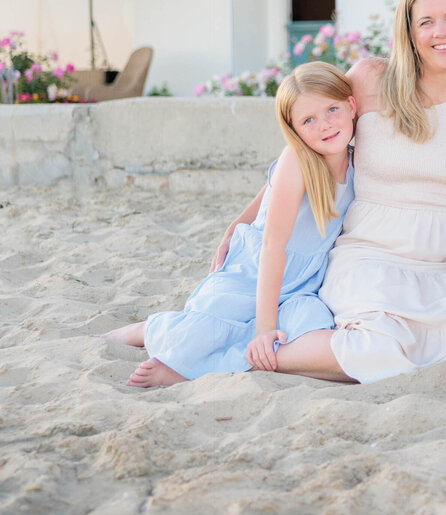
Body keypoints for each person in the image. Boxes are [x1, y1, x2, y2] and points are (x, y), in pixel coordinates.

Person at [263, 0, 446, 383]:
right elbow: (303, 149)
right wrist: (244, 218)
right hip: (373, 257)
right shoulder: (369, 80)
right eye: (426, 22)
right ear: (409, 31)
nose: (442, 32)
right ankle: (254, 351)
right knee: (377, 345)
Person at [104, 62, 357, 387]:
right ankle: (148, 330)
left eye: (332, 109)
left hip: (303, 283)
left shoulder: (359, 160)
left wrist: (233, 227)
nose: (324, 125)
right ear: (294, 131)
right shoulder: (297, 160)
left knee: (312, 328)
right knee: (205, 328)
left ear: (351, 105)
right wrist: (265, 328)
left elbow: (265, 193)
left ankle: (202, 364)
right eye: (309, 120)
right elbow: (272, 244)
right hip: (254, 270)